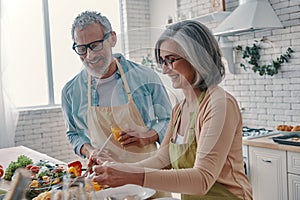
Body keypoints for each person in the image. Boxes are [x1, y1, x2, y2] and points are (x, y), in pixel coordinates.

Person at [91, 20, 253, 200]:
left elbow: (202, 179)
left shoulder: (219, 104)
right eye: (162, 61)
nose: (165, 69)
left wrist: (130, 176)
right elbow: (162, 160)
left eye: (171, 60)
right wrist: (119, 168)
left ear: (197, 57)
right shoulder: (179, 109)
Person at [61, 10, 172, 163]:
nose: (90, 55)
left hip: (148, 174)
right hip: (104, 177)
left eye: (95, 45)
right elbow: (73, 134)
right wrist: (90, 151)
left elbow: (169, 120)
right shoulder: (70, 91)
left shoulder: (146, 77)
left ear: (112, 39)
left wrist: (148, 136)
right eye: (82, 49)